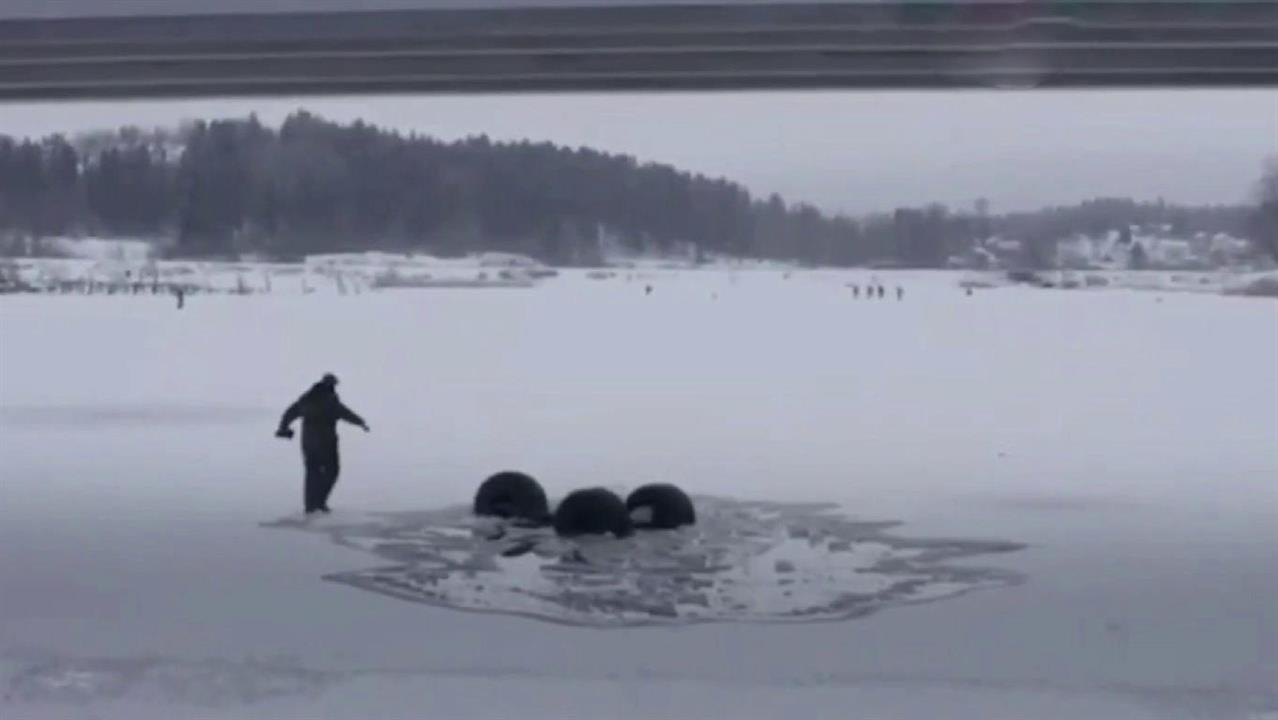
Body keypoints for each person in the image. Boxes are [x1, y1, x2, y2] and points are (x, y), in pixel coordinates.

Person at [276, 373, 369, 514]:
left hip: (308, 442)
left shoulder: (307, 398)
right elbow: (344, 413)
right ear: (332, 385)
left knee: (313, 473)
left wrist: (283, 428)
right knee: (332, 471)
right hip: (326, 442)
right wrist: (360, 422)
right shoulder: (330, 400)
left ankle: (311, 506)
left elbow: (290, 413)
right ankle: (319, 502)